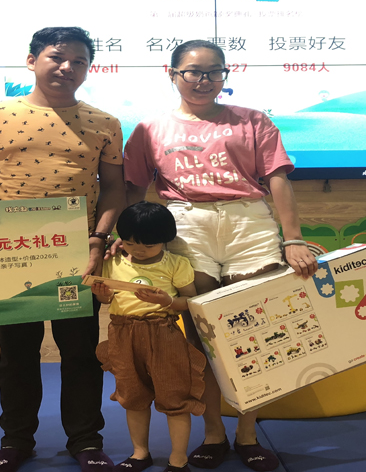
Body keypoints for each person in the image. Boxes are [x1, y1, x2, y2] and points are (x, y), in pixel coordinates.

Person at [0, 27, 126, 472]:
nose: (67, 67)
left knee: (80, 353)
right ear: (32, 60)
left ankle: (86, 441)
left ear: (88, 69)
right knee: (16, 355)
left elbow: (114, 188)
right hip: (10, 253)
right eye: (57, 57)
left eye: (79, 61)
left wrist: (98, 240)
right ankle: (15, 441)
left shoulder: (105, 122)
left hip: (77, 253)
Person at [120, 40, 319, 472]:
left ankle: (247, 434)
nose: (203, 80)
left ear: (225, 75)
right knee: (203, 340)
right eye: (193, 71)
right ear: (172, 74)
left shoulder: (253, 120)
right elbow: (134, 187)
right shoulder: (150, 128)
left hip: (249, 223)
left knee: (255, 333)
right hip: (187, 224)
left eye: (214, 72)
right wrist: (127, 234)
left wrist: (293, 239)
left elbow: (278, 179)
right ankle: (213, 433)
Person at [90, 201, 206, 472]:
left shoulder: (176, 263)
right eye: (130, 243)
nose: (138, 250)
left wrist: (168, 301)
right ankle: (139, 453)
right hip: (122, 333)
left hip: (164, 332)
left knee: (175, 397)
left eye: (149, 245)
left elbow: (191, 301)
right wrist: (102, 295)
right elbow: (105, 298)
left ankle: (179, 459)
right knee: (132, 396)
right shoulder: (112, 261)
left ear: (166, 240)